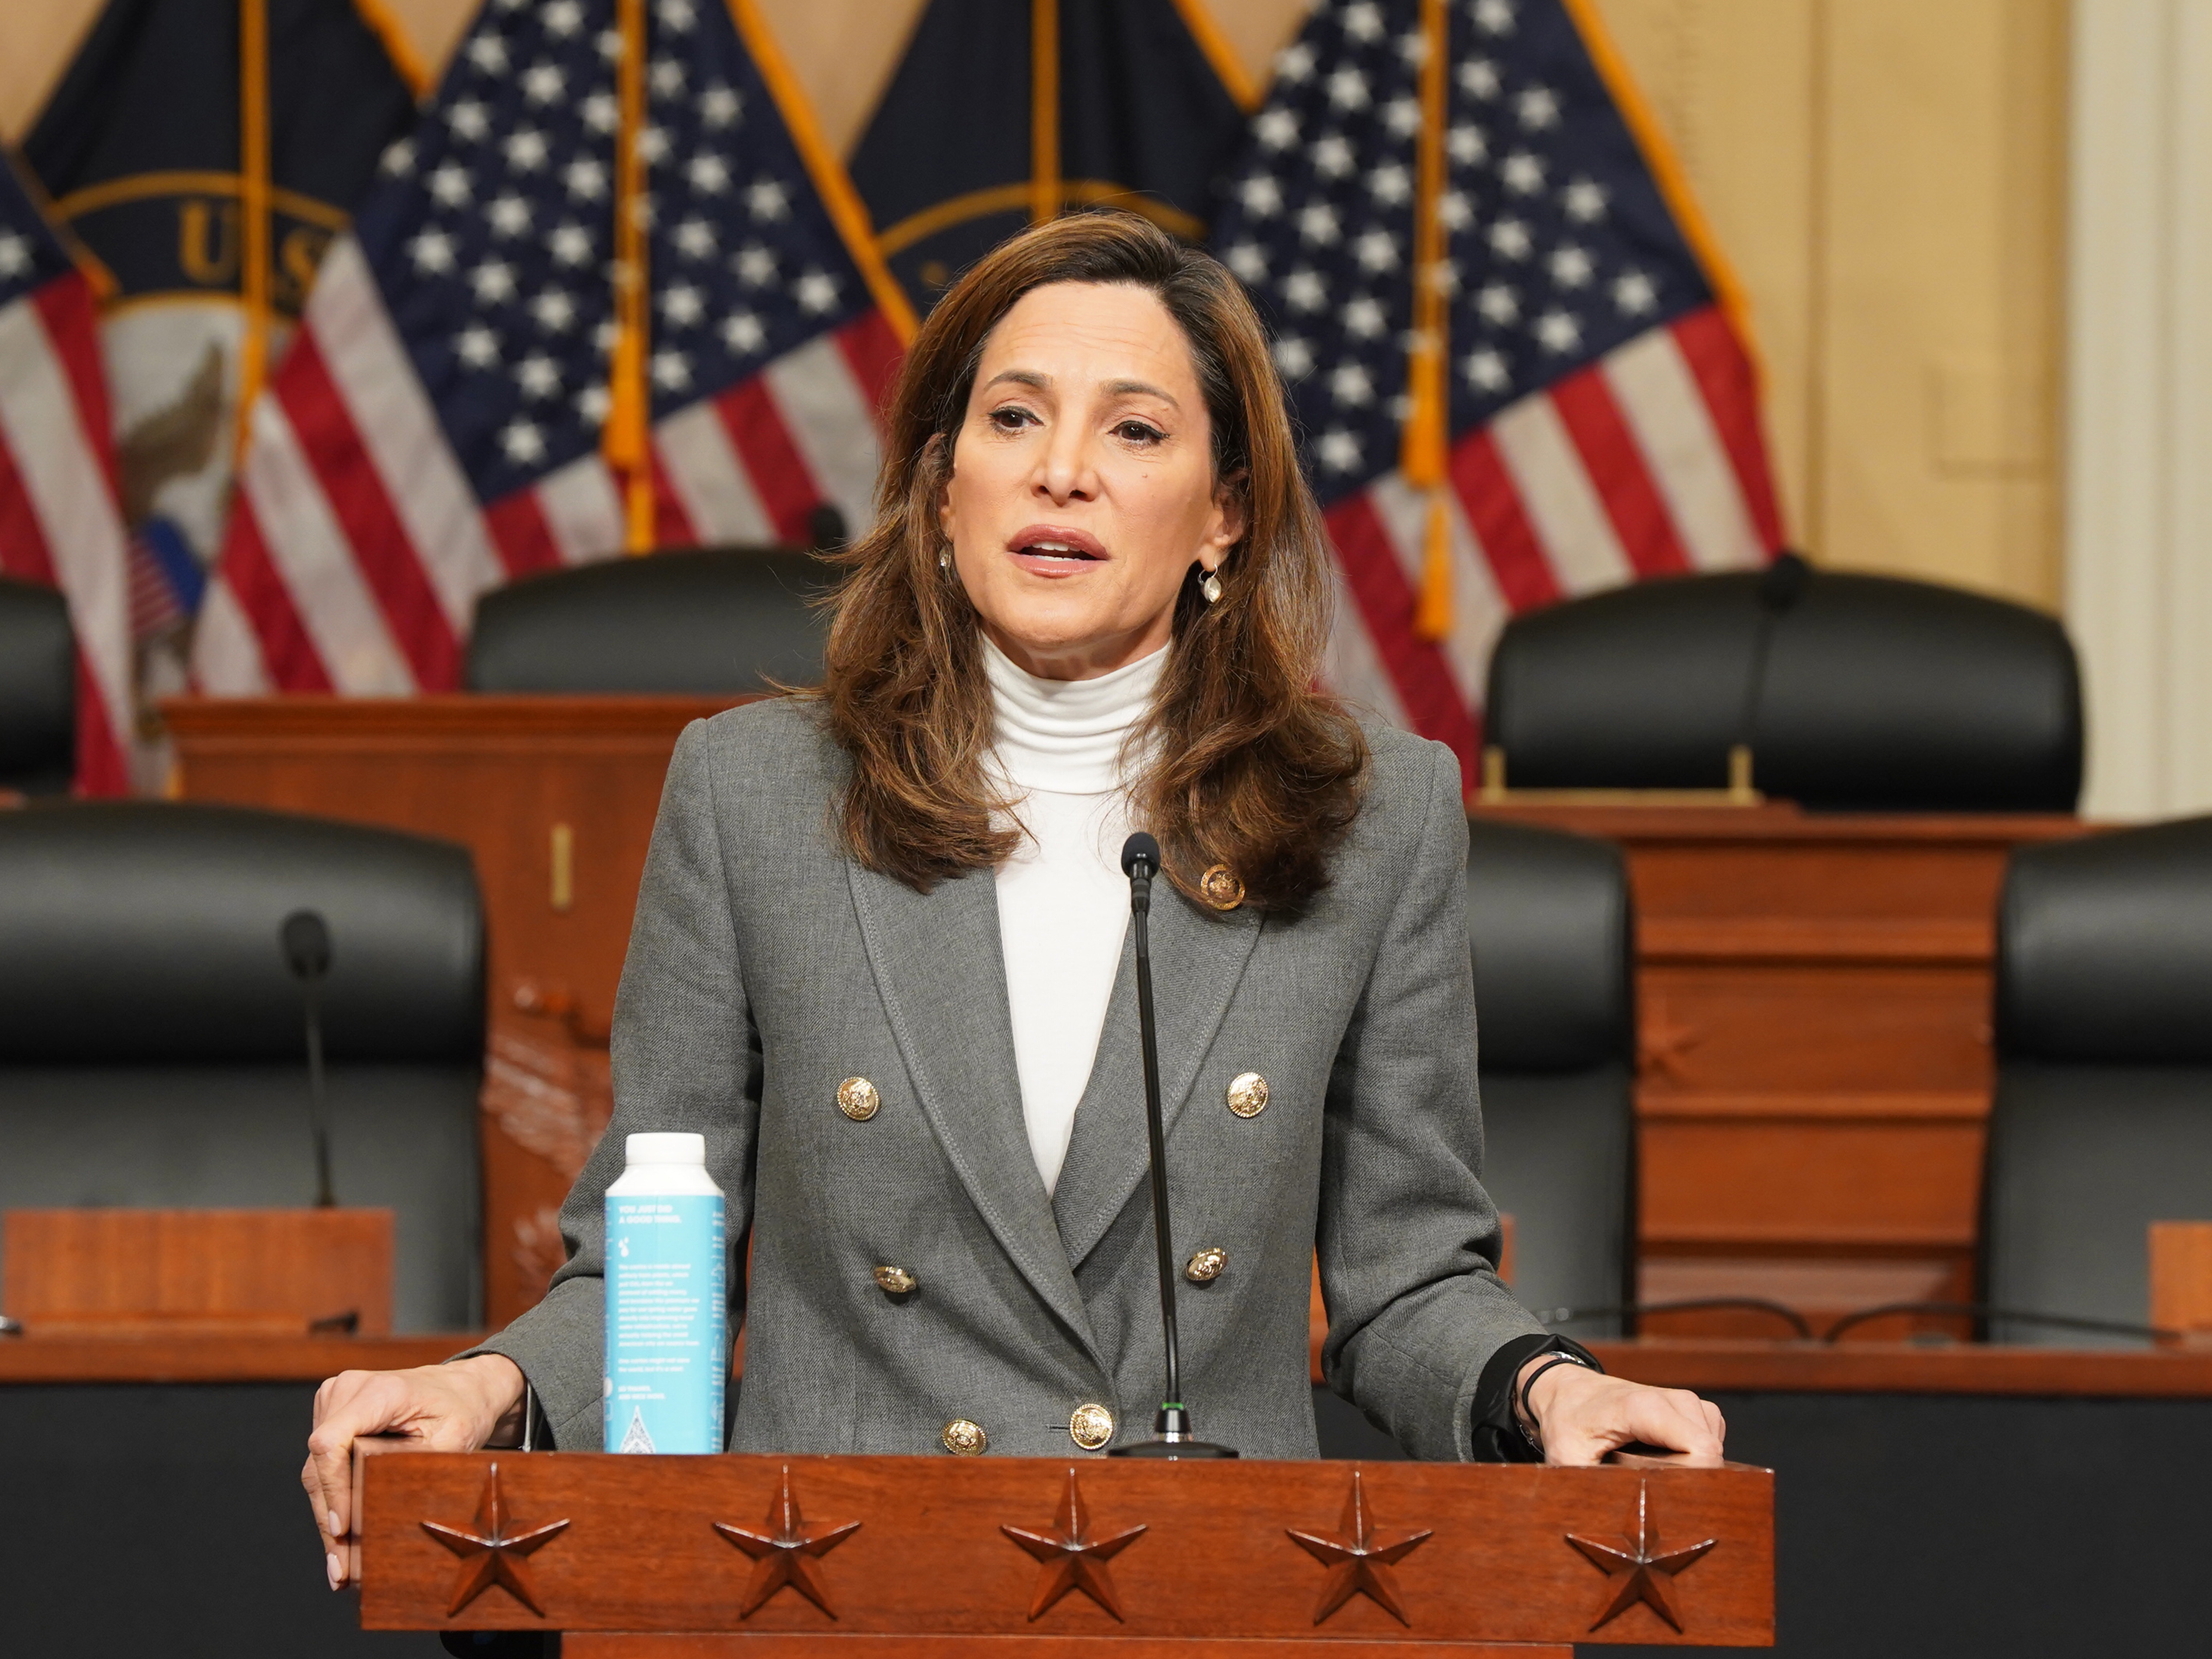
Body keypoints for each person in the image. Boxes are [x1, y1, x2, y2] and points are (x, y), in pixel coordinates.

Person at [303, 211, 1722, 1591]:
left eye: (1137, 430)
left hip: (1202, 1600)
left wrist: (1547, 1390)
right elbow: (654, 1255)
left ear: (1226, 512)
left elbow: (1407, 1274)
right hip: (826, 1589)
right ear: (940, 485)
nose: (1063, 473)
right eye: (1014, 418)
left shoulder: (1371, 814)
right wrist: (492, 1384)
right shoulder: (753, 795)